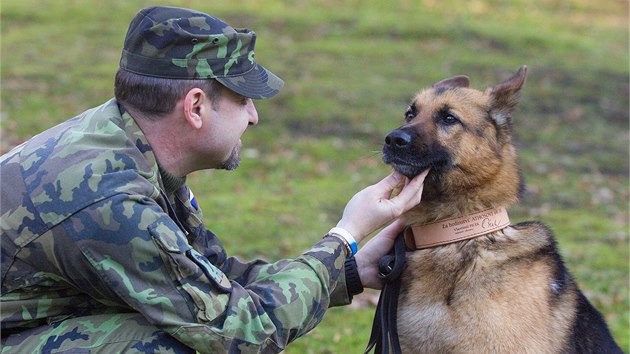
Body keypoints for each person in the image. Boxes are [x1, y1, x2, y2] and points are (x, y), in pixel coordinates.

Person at [0, 6, 427, 353]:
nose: (254, 117)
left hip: (37, 324)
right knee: (184, 346)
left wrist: (348, 271)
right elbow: (240, 332)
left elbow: (212, 278)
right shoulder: (107, 199)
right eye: (243, 99)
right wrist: (345, 235)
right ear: (196, 106)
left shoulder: (128, 140)